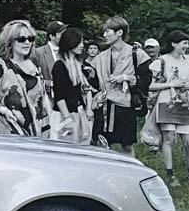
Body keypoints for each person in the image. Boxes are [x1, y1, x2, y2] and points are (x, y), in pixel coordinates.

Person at [0, 18, 52, 137]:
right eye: (21, 39)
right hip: (9, 131)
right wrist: (2, 109)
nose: (27, 42)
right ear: (10, 42)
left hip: (37, 132)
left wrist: (48, 126)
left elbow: (43, 99)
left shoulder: (34, 64)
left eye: (30, 38)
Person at [151, 30, 189, 185]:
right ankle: (170, 174)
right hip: (167, 102)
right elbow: (151, 86)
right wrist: (171, 84)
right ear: (174, 44)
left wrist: (188, 86)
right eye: (184, 43)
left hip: (185, 103)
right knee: (169, 138)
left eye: (187, 43)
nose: (187, 46)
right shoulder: (162, 61)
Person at [92, 16, 138, 156]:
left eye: (108, 31)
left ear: (119, 33)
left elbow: (144, 79)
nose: (105, 35)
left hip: (125, 103)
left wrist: (126, 78)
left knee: (127, 144)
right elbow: (93, 80)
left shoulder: (136, 53)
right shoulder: (101, 56)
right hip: (105, 104)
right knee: (103, 143)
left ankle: (131, 168)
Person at [50, 27, 90, 143]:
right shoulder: (59, 65)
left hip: (77, 113)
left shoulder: (78, 65)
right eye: (79, 42)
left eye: (82, 42)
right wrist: (67, 119)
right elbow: (59, 96)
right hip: (63, 116)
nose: (82, 45)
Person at [32, 21, 66, 93]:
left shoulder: (69, 52)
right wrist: (50, 83)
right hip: (48, 96)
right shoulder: (38, 53)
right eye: (62, 34)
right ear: (52, 36)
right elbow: (32, 79)